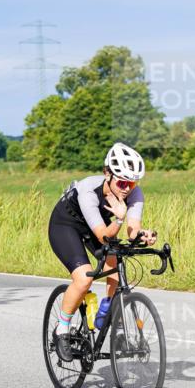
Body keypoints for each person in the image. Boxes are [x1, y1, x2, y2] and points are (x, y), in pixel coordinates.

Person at [48, 142, 158, 362]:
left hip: (99, 227)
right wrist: (118, 217)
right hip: (66, 225)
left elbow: (132, 228)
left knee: (116, 265)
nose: (127, 188)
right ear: (107, 173)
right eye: (122, 181)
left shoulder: (134, 194)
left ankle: (106, 311)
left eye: (132, 183)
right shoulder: (89, 190)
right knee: (83, 279)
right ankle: (62, 329)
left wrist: (142, 235)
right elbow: (103, 236)